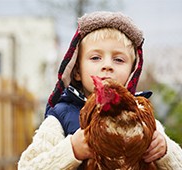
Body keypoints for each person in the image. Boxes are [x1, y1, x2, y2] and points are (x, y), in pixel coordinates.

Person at [18, 11, 182, 169]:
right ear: (76, 71)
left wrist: (165, 151)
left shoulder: (142, 116)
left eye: (118, 59)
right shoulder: (61, 117)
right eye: (95, 57)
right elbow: (27, 167)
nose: (107, 65)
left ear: (132, 71)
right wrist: (71, 150)